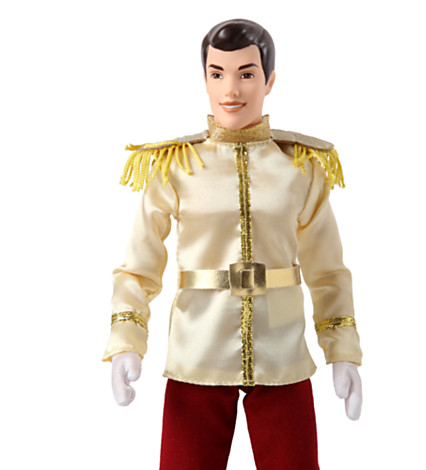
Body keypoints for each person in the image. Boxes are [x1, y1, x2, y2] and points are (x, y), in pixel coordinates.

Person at [103, 19, 363, 470]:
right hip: (198, 348)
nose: (231, 89)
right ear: (204, 79)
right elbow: (139, 265)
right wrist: (127, 340)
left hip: (282, 349)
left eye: (246, 73)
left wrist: (342, 350)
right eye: (217, 73)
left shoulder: (300, 166)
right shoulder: (176, 165)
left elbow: (327, 269)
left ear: (269, 81)